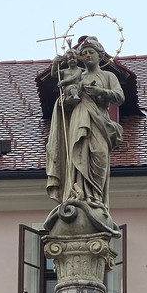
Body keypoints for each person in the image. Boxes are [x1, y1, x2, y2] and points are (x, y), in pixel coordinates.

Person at [45, 36, 124, 212]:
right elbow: (65, 95)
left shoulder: (108, 76)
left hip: (100, 123)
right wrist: (66, 100)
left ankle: (96, 198)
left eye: (91, 52)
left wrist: (100, 91)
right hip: (79, 118)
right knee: (77, 152)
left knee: (99, 156)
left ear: (100, 55)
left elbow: (120, 97)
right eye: (84, 53)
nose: (87, 55)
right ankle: (78, 193)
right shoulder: (78, 75)